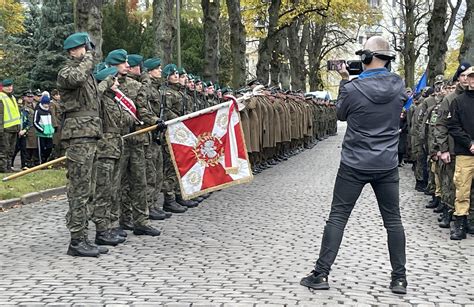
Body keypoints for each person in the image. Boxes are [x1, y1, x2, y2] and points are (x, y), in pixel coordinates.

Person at [300, 36, 408, 294]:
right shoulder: (399, 87)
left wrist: (346, 81)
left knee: (337, 217)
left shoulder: (352, 88)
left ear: (366, 58)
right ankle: (399, 279)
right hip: (386, 163)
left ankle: (321, 274)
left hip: (354, 163)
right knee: (393, 221)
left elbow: (341, 114)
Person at [57, 32, 105, 257]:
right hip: (78, 138)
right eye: (85, 48)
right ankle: (76, 240)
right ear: (75, 50)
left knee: (90, 190)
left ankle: (84, 237)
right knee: (79, 190)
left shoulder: (88, 76)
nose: (89, 53)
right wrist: (87, 58)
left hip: (90, 135)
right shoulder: (67, 71)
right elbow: (75, 78)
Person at [447, 66, 474, 240]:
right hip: (465, 152)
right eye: (470, 77)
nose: (472, 80)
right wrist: (470, 143)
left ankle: (471, 220)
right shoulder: (458, 101)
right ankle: (460, 224)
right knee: (462, 190)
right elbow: (453, 126)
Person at [0, 79, 21, 173]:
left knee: (11, 150)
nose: (9, 88)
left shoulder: (12, 97)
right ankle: (3, 168)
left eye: (10, 86)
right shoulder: (1, 97)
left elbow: (16, 113)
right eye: (7, 86)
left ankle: (8, 167)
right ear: (2, 87)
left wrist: (19, 127)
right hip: (5, 129)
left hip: (14, 128)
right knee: (4, 150)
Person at [33, 94, 55, 164]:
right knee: (41, 150)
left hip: (49, 134)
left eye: (47, 104)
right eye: (45, 104)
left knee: (49, 149)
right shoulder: (38, 111)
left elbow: (50, 122)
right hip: (41, 134)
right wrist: (42, 130)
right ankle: (40, 163)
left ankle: (45, 161)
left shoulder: (49, 111)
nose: (46, 105)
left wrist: (52, 129)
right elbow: (35, 122)